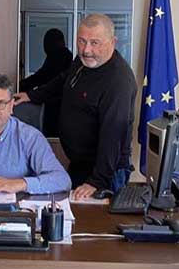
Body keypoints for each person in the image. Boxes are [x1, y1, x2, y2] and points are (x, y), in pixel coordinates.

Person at [15, 14, 137, 199]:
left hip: (105, 172)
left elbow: (113, 137)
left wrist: (97, 181)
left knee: (91, 217)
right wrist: (32, 95)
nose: (86, 50)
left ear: (113, 42)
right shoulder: (83, 61)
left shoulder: (118, 82)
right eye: (82, 41)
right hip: (80, 164)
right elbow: (63, 80)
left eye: (95, 43)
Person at [19, 28, 72, 136]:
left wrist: (22, 86)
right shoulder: (62, 55)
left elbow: (43, 76)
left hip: (56, 103)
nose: (45, 46)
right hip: (56, 102)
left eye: (47, 42)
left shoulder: (59, 56)